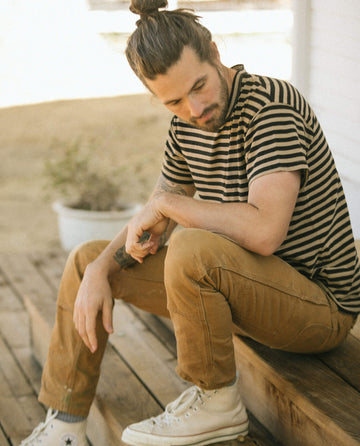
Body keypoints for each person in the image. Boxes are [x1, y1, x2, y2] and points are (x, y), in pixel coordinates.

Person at [21, 0, 360, 445]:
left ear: (215, 54)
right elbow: (160, 208)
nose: (195, 108)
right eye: (175, 101)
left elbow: (263, 231)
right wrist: (103, 269)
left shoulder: (271, 107)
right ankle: (64, 427)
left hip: (318, 308)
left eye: (199, 86)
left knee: (190, 247)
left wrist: (169, 206)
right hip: (245, 294)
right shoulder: (185, 127)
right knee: (89, 262)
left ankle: (216, 399)